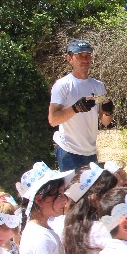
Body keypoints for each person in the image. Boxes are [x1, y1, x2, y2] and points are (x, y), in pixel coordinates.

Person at [48, 39, 115, 171]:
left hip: (90, 151)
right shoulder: (63, 85)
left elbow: (105, 121)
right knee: (72, 192)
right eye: (79, 56)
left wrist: (108, 112)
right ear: (70, 58)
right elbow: (53, 120)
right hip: (69, 151)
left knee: (92, 192)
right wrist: (76, 108)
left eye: (88, 55)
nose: (85, 59)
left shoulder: (98, 86)